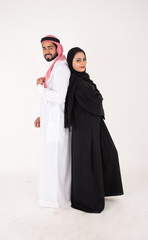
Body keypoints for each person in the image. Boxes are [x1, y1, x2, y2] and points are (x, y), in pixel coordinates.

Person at [65, 47, 124, 213]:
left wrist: (97, 96)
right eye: (78, 60)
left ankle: (101, 190)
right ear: (70, 62)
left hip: (93, 123)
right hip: (85, 127)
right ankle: (86, 201)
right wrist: (98, 96)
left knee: (107, 154)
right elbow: (96, 100)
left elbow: (95, 99)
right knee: (87, 161)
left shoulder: (83, 79)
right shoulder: (77, 82)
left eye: (84, 59)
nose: (82, 63)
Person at [34, 35, 71, 208]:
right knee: (51, 160)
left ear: (58, 48)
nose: (47, 51)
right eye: (44, 48)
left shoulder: (61, 68)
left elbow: (59, 97)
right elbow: (52, 98)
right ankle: (52, 198)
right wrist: (42, 115)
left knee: (57, 161)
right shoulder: (54, 67)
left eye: (50, 47)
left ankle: (57, 199)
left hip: (57, 124)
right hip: (51, 121)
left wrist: (40, 88)